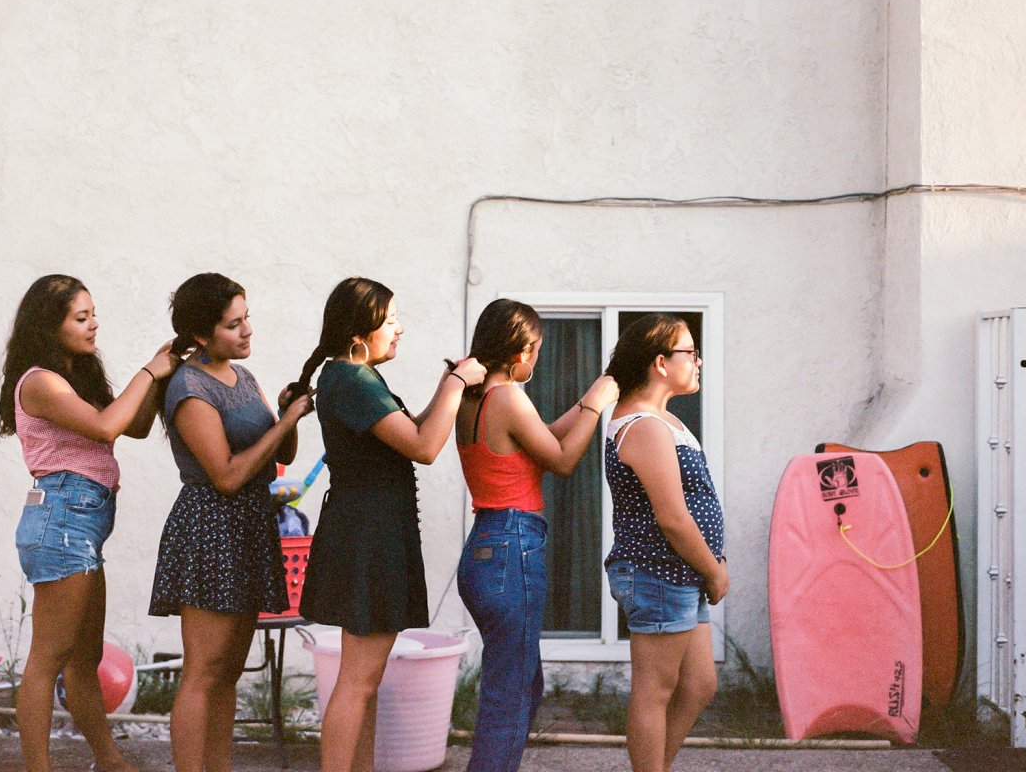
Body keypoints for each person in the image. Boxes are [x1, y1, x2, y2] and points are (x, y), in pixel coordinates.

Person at [293, 277, 485, 772]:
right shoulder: (350, 380)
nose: (400, 329)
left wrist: (449, 388)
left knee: (365, 679)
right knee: (357, 680)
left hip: (370, 531)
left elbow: (411, 431)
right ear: (360, 332)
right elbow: (424, 447)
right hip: (368, 537)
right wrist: (458, 384)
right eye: (391, 319)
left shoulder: (357, 377)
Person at [0, 274, 178, 772]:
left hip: (82, 525)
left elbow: (133, 425)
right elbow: (105, 426)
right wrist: (148, 369)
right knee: (48, 659)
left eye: (93, 313)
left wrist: (164, 374)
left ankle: (110, 760)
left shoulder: (75, 376)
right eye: (81, 317)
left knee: (84, 657)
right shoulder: (40, 382)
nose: (94, 324)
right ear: (48, 325)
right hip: (60, 522)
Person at [148, 272, 314, 772]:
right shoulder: (190, 387)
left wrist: (287, 415)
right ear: (201, 335)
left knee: (228, 673)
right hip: (210, 529)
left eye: (247, 320)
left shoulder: (242, 378)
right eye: (232, 325)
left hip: (250, 525)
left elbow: (280, 453)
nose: (246, 332)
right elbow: (224, 475)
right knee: (203, 671)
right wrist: (284, 422)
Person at [454, 299, 618, 772]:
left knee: (522, 683)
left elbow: (543, 440)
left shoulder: (476, 398)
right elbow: (563, 460)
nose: (537, 360)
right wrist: (596, 404)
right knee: (511, 693)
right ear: (520, 352)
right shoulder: (507, 397)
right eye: (537, 350)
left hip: (485, 547)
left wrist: (589, 400)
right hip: (512, 547)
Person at [603, 314, 727, 772]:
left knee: (698, 684)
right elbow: (673, 517)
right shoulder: (644, 427)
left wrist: (714, 560)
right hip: (657, 572)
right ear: (660, 362)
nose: (698, 361)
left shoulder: (663, 420)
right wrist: (714, 569)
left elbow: (698, 502)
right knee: (655, 690)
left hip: (680, 572)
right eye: (690, 352)